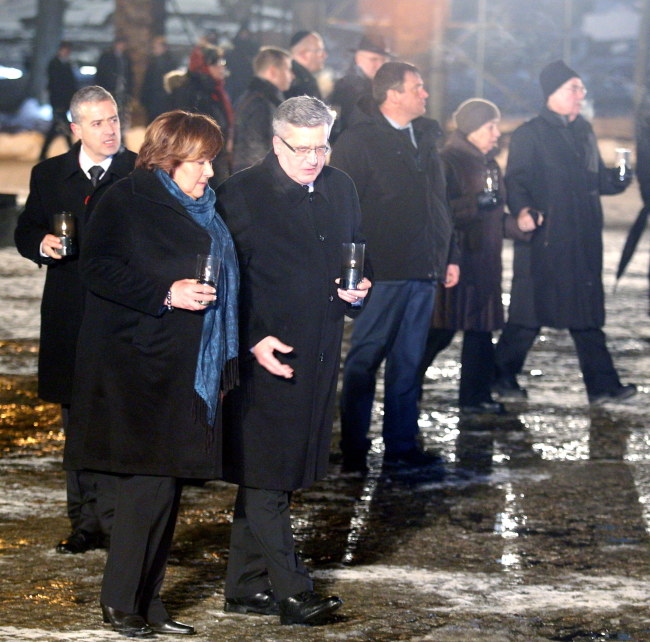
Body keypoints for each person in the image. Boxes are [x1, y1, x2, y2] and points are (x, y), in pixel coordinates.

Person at [63, 110, 239, 637]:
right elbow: (96, 267)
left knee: (165, 488)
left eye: (211, 160)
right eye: (200, 161)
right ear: (169, 158)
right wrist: (166, 293)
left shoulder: (205, 206)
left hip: (182, 367)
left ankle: (149, 602)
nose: (209, 172)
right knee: (147, 487)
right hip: (135, 366)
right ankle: (121, 602)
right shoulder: (127, 197)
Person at [217, 96, 370, 625]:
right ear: (276, 141)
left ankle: (243, 586)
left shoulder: (341, 187)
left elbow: (352, 257)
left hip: (321, 351)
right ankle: (293, 591)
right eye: (300, 149)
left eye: (321, 146)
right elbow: (224, 283)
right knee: (265, 474)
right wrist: (253, 337)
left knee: (272, 474)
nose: (312, 159)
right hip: (263, 357)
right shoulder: (239, 194)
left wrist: (357, 291)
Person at [15, 86, 135, 554]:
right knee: (76, 418)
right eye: (99, 122)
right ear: (76, 129)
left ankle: (115, 516)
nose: (110, 130)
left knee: (118, 415)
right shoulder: (50, 174)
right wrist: (39, 244)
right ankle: (84, 521)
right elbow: (26, 227)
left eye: (114, 120)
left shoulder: (137, 171)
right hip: (68, 315)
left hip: (123, 315)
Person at [330, 61, 459, 473]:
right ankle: (353, 446)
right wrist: (352, 265)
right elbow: (340, 209)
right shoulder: (357, 141)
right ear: (393, 94)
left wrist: (447, 254)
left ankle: (401, 445)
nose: (425, 94)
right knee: (364, 359)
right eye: (417, 87)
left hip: (423, 269)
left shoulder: (425, 137)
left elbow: (440, 203)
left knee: (409, 361)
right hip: (380, 271)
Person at [493, 60, 636, 406]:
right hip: (546, 239)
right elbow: (516, 180)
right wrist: (524, 210)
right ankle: (497, 376)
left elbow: (593, 179)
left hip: (583, 239)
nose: (581, 94)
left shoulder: (583, 130)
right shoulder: (530, 133)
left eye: (581, 88)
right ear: (553, 94)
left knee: (586, 315)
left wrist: (616, 180)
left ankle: (603, 387)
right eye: (574, 88)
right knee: (529, 316)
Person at [417, 98, 532, 415]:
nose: (497, 133)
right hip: (458, 259)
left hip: (485, 260)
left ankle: (475, 396)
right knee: (438, 331)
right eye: (490, 126)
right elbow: (439, 213)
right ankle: (407, 386)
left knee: (480, 331)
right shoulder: (448, 161)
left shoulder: (489, 162)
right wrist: (474, 205)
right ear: (471, 129)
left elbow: (493, 215)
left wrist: (518, 225)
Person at [166, 45, 234, 187]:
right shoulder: (191, 92)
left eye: (223, 62)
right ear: (202, 66)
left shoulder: (216, 90)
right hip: (199, 161)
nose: (222, 67)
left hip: (216, 156)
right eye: (216, 63)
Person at [232, 46, 293, 172]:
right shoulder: (261, 103)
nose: (292, 76)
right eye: (288, 69)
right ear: (273, 71)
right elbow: (256, 150)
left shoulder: (250, 98)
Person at [329, 33, 391, 143]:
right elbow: (335, 123)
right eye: (374, 59)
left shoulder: (386, 87)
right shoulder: (345, 87)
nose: (380, 65)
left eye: (384, 60)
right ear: (358, 59)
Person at [39, 41, 77, 160]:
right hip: (57, 101)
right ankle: (73, 153)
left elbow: (71, 84)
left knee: (57, 127)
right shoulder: (54, 64)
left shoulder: (67, 64)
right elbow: (54, 84)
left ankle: (44, 153)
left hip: (65, 101)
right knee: (63, 126)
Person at [95, 37, 133, 125]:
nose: (122, 47)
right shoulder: (107, 57)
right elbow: (101, 74)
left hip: (122, 92)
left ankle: (121, 133)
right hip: (110, 90)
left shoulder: (126, 58)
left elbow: (129, 75)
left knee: (122, 113)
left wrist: (129, 90)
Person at [139, 36, 177, 125]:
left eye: (156, 46)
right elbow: (148, 81)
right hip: (153, 100)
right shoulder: (153, 62)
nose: (154, 49)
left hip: (164, 101)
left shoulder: (169, 63)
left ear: (163, 48)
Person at [225, 21, 260, 104]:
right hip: (234, 78)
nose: (244, 35)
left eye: (246, 33)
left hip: (247, 78)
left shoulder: (253, 48)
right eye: (243, 33)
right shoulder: (234, 47)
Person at [285, 30, 326, 99]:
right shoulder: (299, 84)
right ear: (303, 54)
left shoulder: (303, 80)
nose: (324, 55)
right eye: (319, 51)